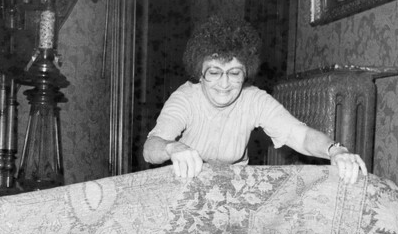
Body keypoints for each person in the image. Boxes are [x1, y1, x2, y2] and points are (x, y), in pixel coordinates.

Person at [143, 16, 366, 184]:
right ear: (199, 73)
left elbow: (300, 135)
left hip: (234, 185)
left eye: (234, 73)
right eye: (213, 72)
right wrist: (173, 148)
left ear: (246, 73)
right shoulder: (185, 98)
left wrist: (336, 151)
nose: (224, 83)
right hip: (187, 184)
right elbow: (150, 149)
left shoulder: (254, 99)